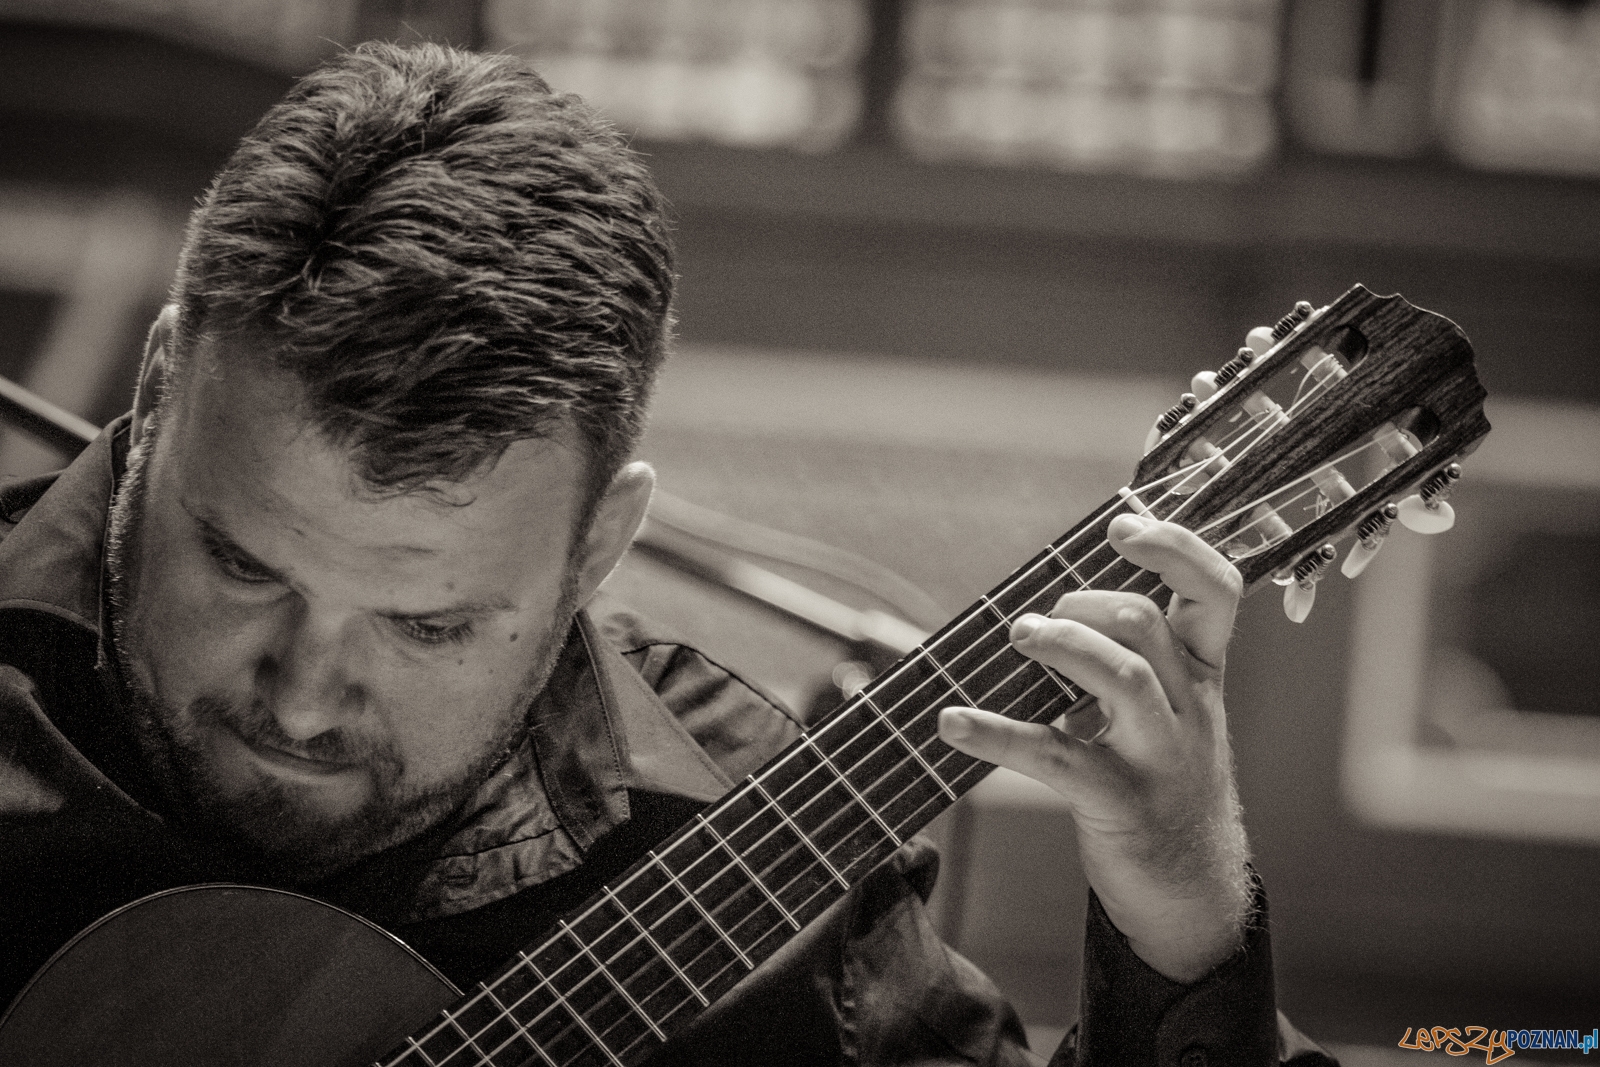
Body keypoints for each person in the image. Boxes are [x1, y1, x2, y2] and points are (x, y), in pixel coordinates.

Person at [0, 41, 1334, 1065]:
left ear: (598, 549)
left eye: (430, 626)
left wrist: (1184, 916)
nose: (298, 697)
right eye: (241, 565)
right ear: (161, 386)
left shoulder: (746, 856)